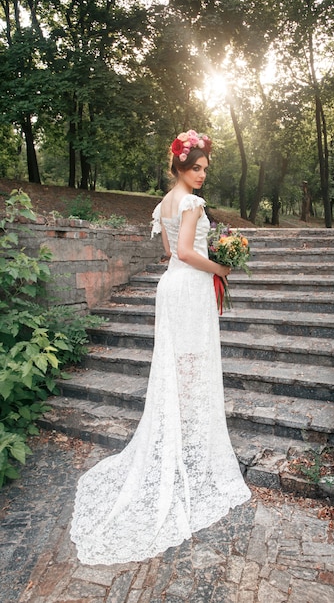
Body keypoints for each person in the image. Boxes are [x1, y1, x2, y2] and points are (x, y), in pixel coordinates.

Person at [70, 130, 251, 565]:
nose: (202, 175)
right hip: (188, 287)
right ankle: (187, 449)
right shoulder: (190, 203)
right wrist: (222, 268)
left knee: (179, 363)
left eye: (205, 169)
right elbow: (187, 252)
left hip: (170, 288)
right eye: (197, 168)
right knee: (191, 364)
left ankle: (180, 440)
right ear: (181, 168)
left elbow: (169, 249)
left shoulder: (164, 204)